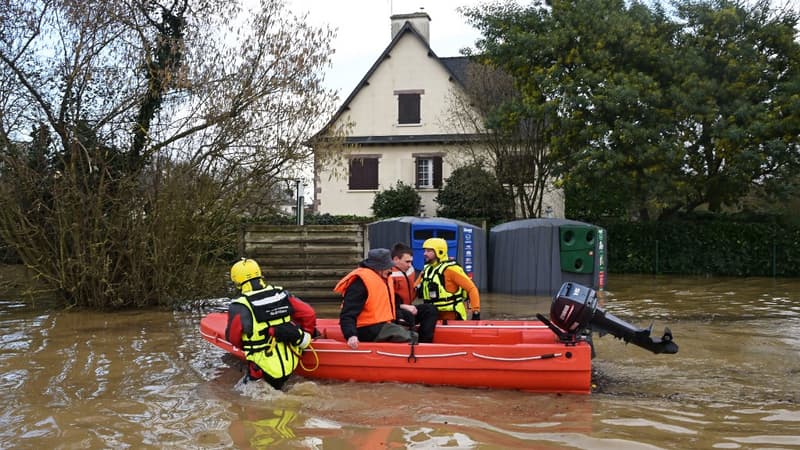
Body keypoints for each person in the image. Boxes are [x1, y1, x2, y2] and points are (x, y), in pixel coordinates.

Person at [225, 258, 317, 389]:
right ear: (259, 274)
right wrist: (306, 335)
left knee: (237, 397)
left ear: (236, 280)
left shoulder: (240, 305)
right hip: (290, 363)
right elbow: (309, 313)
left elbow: (233, 339)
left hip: (262, 367)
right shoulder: (281, 294)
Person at [336, 248, 416, 350]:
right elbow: (347, 314)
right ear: (379, 268)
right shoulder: (360, 284)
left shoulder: (385, 278)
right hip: (366, 329)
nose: (391, 269)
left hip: (382, 325)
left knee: (412, 332)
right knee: (410, 338)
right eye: (388, 267)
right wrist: (351, 335)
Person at [417, 237, 481, 321]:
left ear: (440, 252)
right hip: (432, 314)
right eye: (425, 250)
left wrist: (476, 312)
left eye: (429, 251)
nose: (425, 253)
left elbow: (472, 289)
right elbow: (415, 289)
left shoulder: (451, 269)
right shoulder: (427, 269)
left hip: (451, 315)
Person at [390, 242, 437, 343]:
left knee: (430, 309)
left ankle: (424, 342)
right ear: (395, 260)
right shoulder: (387, 274)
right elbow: (384, 301)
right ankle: (409, 342)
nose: (410, 265)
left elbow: (412, 288)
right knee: (407, 315)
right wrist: (403, 306)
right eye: (407, 262)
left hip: (408, 308)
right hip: (393, 313)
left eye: (411, 261)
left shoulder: (409, 269)